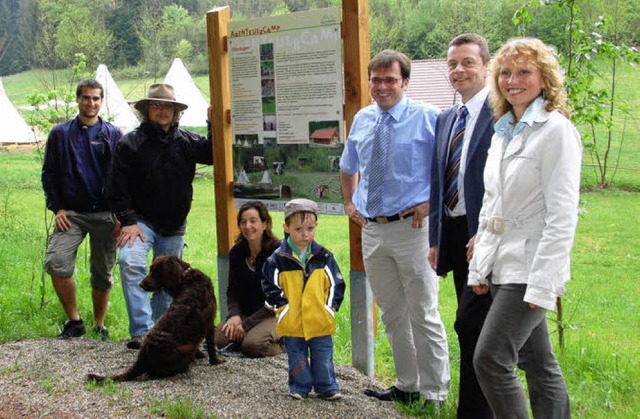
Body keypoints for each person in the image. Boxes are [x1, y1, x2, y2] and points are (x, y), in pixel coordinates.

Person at [468, 37, 581, 418]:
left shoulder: (555, 131)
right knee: (538, 364)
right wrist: (479, 265)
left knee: (491, 360)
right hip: (502, 263)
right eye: (504, 72)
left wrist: (544, 282)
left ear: (545, 79)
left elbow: (562, 214)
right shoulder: (504, 131)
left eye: (524, 72)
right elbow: (491, 204)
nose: (512, 80)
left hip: (531, 268)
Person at [339, 49, 450, 408]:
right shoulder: (363, 118)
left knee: (423, 311)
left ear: (405, 82)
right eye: (376, 79)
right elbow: (347, 165)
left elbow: (453, 167)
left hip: (413, 229)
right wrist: (349, 203)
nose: (382, 86)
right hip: (373, 230)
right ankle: (407, 384)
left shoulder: (428, 117)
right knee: (392, 313)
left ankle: (435, 394)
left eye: (390, 80)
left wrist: (433, 204)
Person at [106, 83, 213, 349]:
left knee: (171, 280)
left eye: (168, 106)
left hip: (175, 224)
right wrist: (128, 220)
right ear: (146, 110)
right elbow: (115, 187)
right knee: (130, 263)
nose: (162, 111)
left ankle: (161, 333)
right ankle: (142, 332)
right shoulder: (130, 143)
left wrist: (212, 123)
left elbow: (213, 154)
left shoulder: (187, 140)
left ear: (176, 111)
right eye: (156, 105)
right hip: (140, 221)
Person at [427, 34, 494, 418]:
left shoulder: (502, 114)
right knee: (475, 330)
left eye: (468, 62)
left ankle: (476, 411)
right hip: (454, 233)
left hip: (487, 233)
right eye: (452, 64)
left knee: (471, 325)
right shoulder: (447, 119)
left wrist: (485, 233)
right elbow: (439, 183)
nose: (459, 70)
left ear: (485, 65)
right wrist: (437, 239)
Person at [42, 78, 123, 342]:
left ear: (102, 101)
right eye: (86, 98)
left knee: (102, 272)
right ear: (77, 99)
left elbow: (124, 177)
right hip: (72, 215)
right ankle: (75, 321)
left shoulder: (112, 134)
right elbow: (49, 174)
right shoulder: (60, 134)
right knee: (57, 262)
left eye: (96, 98)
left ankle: (100, 325)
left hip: (105, 215)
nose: (91, 103)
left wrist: (121, 215)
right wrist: (57, 208)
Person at [262, 198, 346, 401]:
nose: (305, 234)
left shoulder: (323, 256)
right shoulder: (277, 259)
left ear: (316, 226)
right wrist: (282, 309)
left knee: (323, 355)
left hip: (319, 319)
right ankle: (300, 386)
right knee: (296, 356)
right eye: (299, 229)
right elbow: (269, 286)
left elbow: (337, 284)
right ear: (286, 227)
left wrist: (330, 309)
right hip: (292, 321)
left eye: (310, 228)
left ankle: (327, 386)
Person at [214, 201, 284, 358]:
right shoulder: (237, 252)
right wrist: (234, 316)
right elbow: (232, 290)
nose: (247, 226)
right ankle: (247, 335)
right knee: (219, 338)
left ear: (265, 224)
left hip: (275, 313)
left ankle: (285, 343)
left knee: (252, 346)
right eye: (243, 222)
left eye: (253, 221)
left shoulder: (278, 254)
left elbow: (275, 300)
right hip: (247, 312)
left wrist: (245, 325)